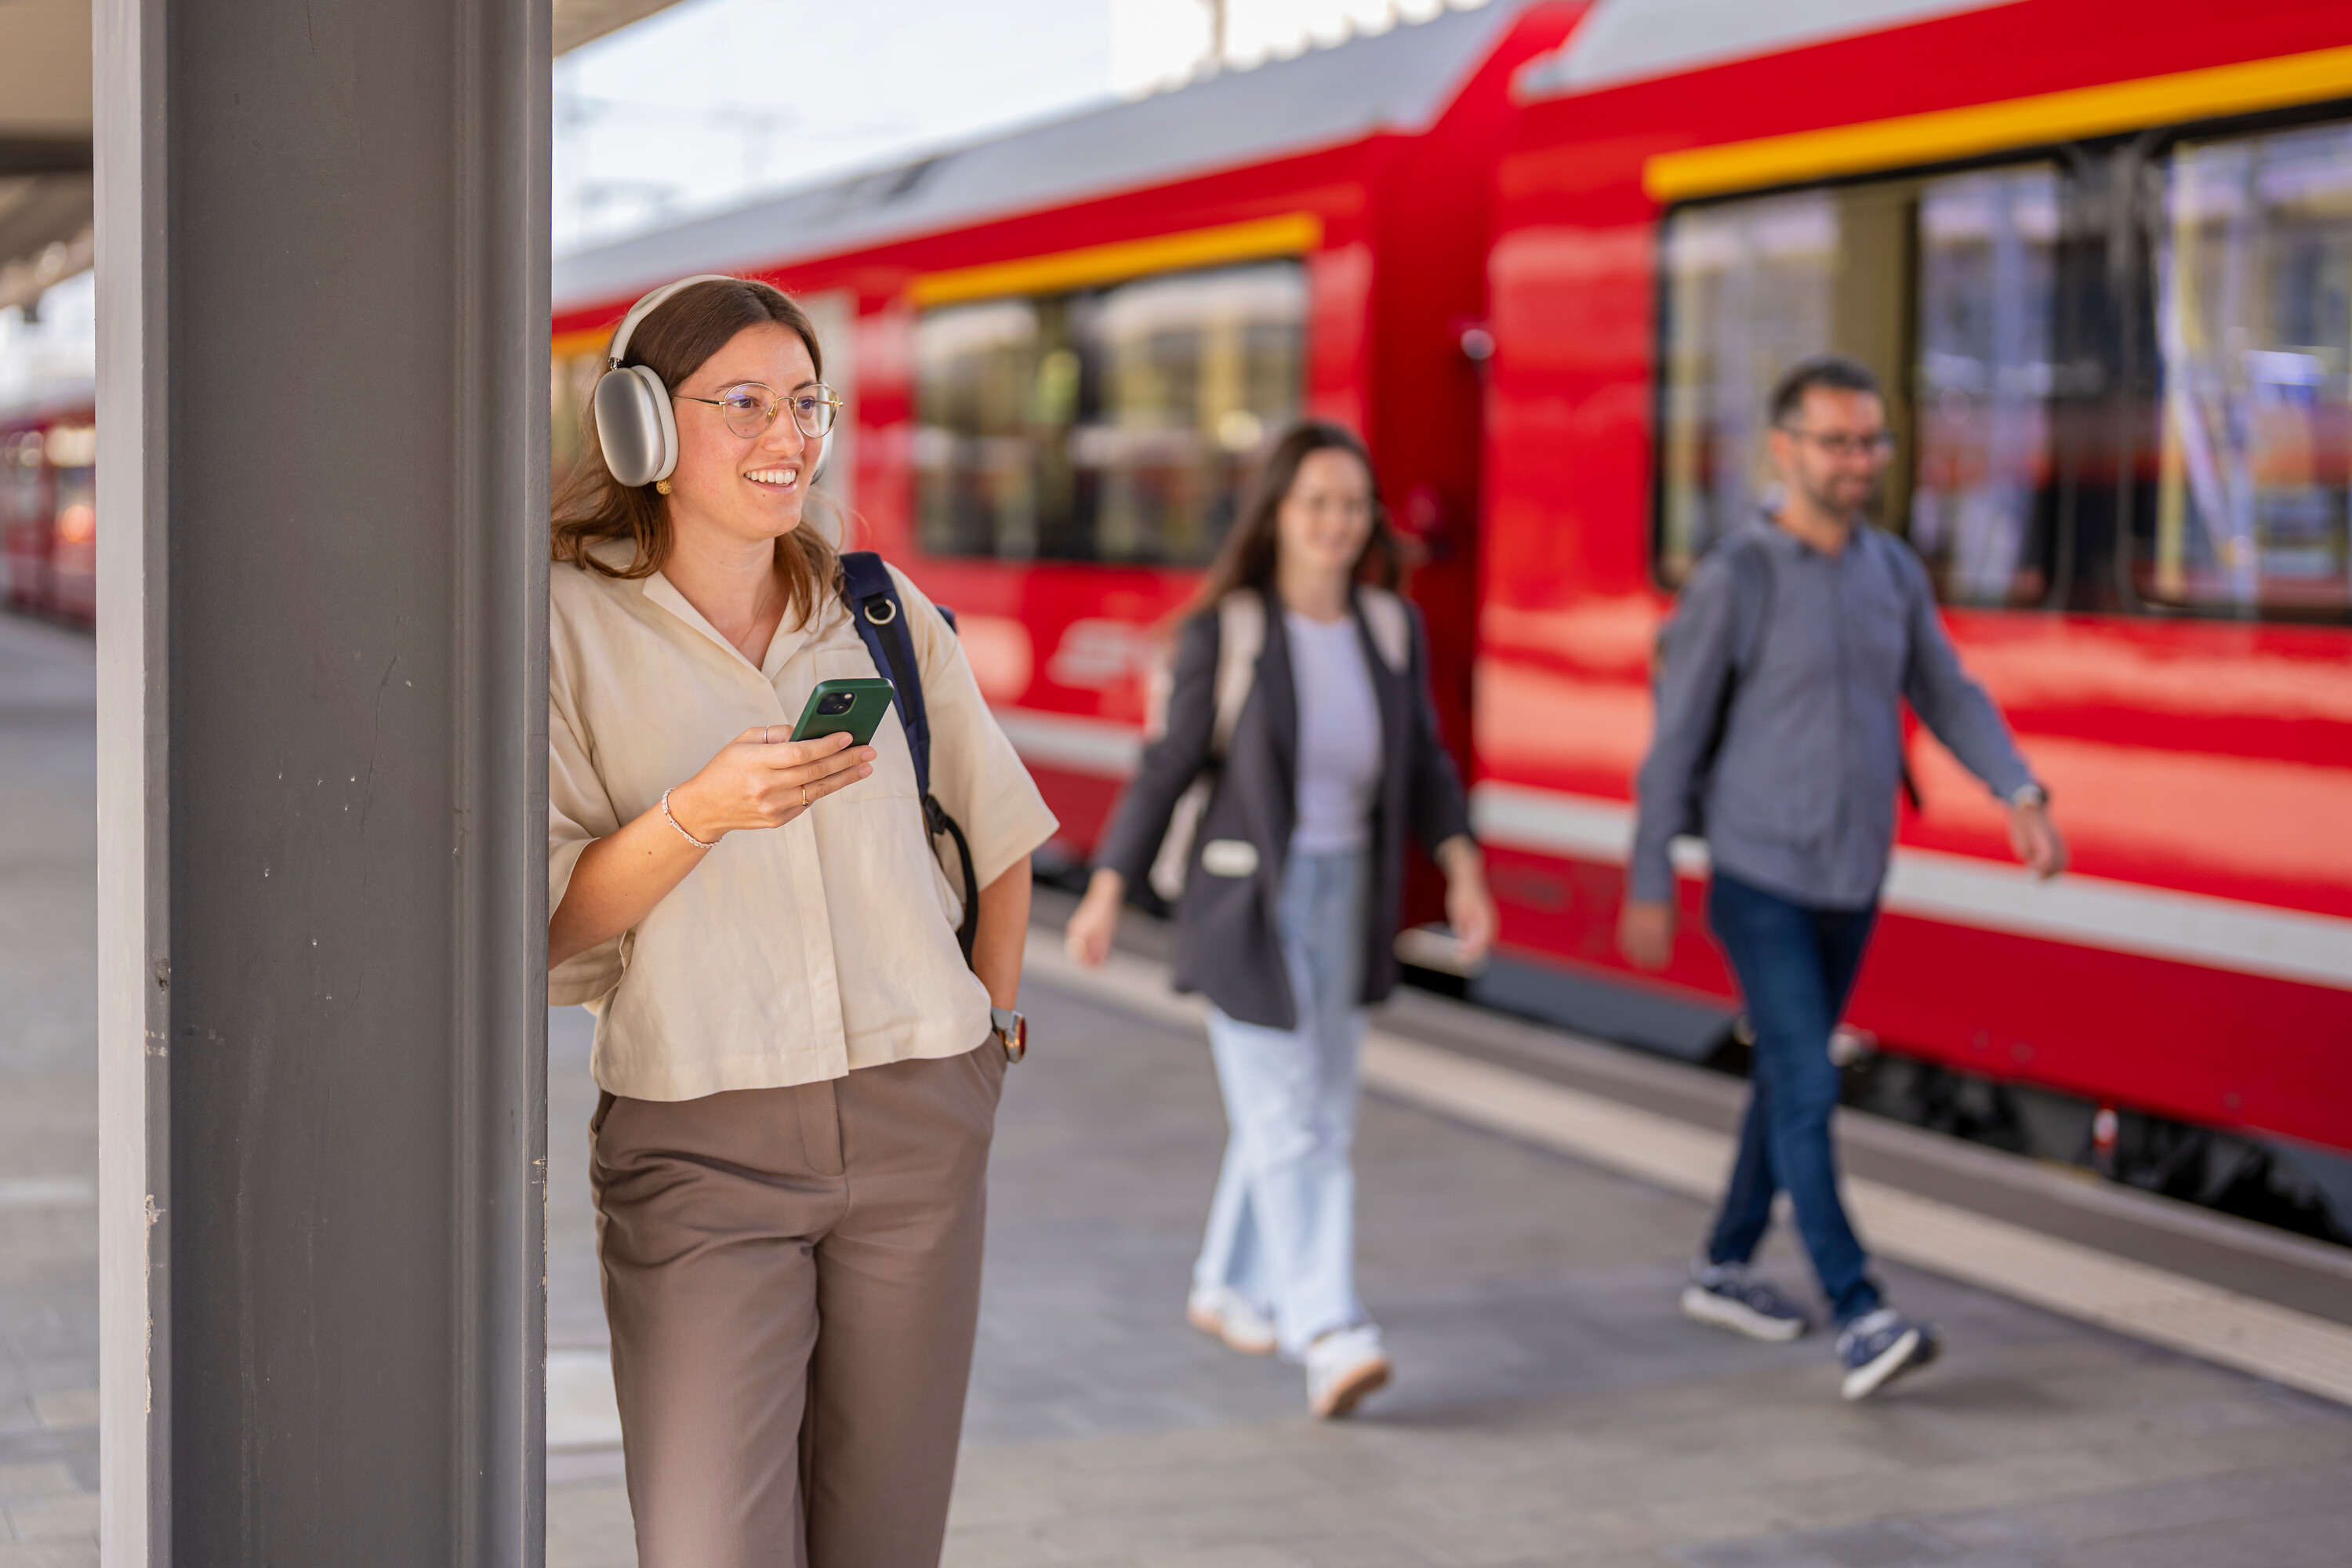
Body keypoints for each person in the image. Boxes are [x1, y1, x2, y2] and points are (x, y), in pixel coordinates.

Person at [544, 275, 1057, 1566]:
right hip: (700, 1145)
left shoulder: (878, 613)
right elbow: (543, 920)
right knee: (711, 1542)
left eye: (808, 404)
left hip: (919, 1123)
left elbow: (1001, 838)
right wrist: (699, 813)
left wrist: (984, 1041)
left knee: (886, 1542)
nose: (790, 439)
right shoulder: (561, 627)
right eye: (748, 405)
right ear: (641, 429)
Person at [1620, 354, 2066, 1401]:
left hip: (1854, 871)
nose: (1860, 460)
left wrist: (2021, 789)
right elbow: (1674, 741)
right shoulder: (1739, 576)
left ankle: (1726, 1264)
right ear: (1785, 449)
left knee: (1785, 1077)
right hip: (1758, 871)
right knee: (1811, 1077)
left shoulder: (1893, 571)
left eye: (1873, 441)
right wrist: (1650, 876)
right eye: (1838, 441)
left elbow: (1947, 692)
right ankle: (1860, 1311)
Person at [1064, 421, 1497, 1419]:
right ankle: (1330, 1328)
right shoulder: (1232, 629)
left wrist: (1462, 866)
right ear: (1278, 517)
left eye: (1354, 505)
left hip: (1351, 892)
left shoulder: (1389, 625)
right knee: (1292, 1120)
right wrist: (1107, 886)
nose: (1339, 524)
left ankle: (1226, 1282)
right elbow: (1169, 763)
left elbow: (1426, 761)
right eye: (1317, 504)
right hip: (1245, 900)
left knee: (1310, 1114)